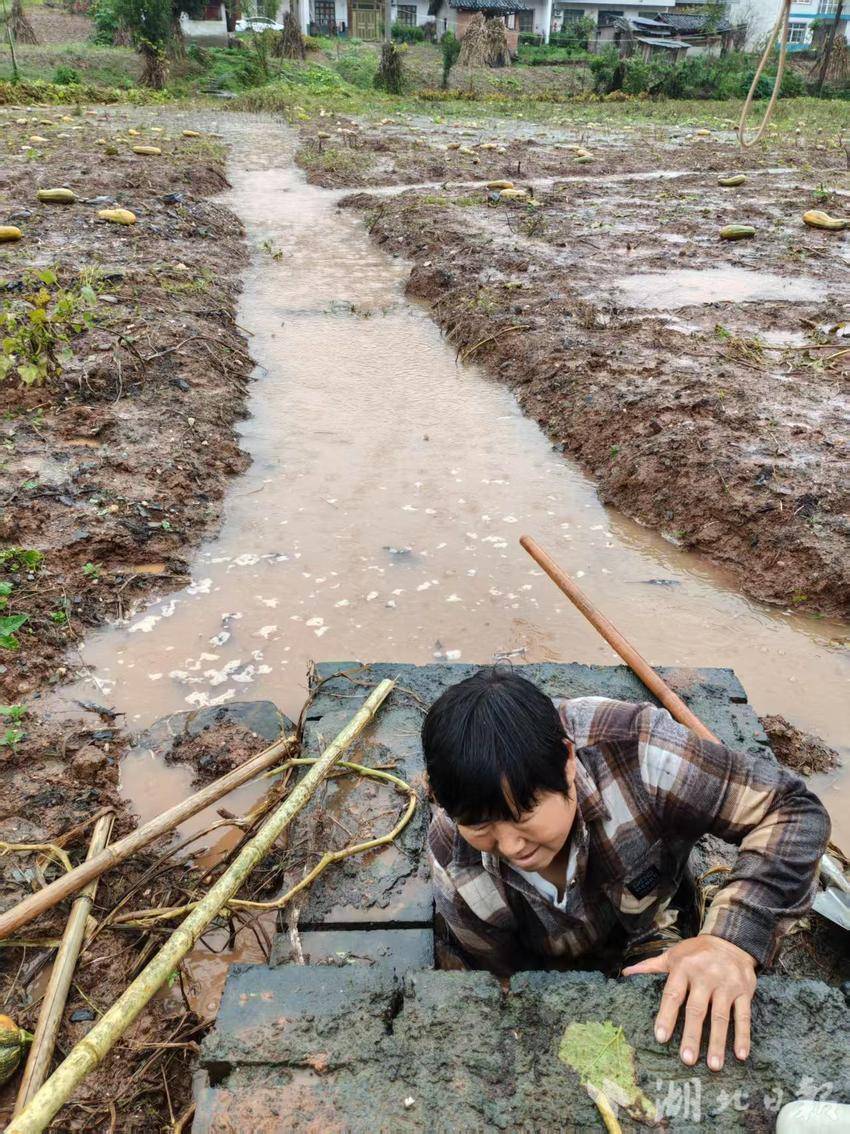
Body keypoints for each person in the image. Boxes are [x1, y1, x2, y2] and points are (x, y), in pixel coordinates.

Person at [422, 667, 830, 1072]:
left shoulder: (642, 755)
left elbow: (790, 811)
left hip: (652, 927)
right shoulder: (453, 860)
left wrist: (730, 942)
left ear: (567, 762)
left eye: (525, 813)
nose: (511, 846)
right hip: (547, 970)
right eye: (480, 826)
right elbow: (497, 979)